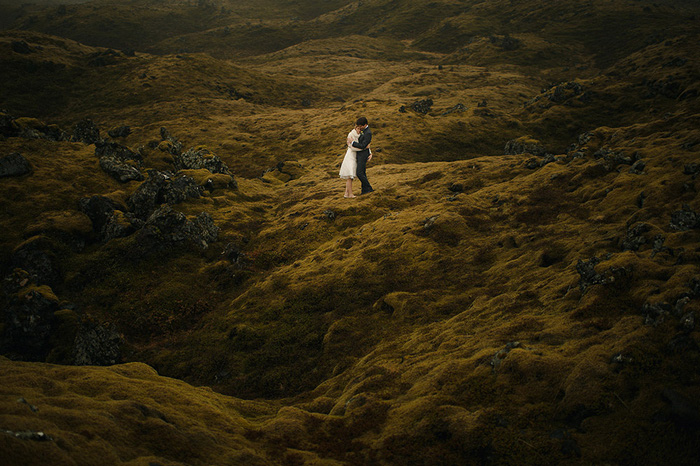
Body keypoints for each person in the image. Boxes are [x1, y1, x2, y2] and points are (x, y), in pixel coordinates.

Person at [339, 123, 362, 198]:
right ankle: (350, 194)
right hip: (350, 156)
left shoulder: (360, 135)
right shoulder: (351, 134)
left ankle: (346, 193)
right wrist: (361, 149)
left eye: (360, 129)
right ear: (355, 128)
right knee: (350, 176)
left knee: (350, 176)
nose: (359, 131)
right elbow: (351, 147)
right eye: (358, 129)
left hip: (354, 156)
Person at [352, 116, 373, 195]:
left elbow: (363, 145)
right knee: (362, 173)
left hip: (363, 155)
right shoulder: (364, 131)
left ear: (365, 125)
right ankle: (364, 190)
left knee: (359, 173)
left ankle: (369, 188)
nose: (360, 127)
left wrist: (353, 143)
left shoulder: (368, 133)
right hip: (361, 154)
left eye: (361, 126)